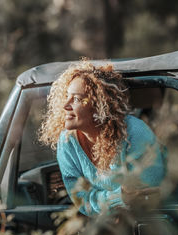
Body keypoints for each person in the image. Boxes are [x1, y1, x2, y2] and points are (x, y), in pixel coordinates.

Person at [39, 61, 166, 216]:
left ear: (100, 105)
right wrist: (119, 197)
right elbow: (81, 202)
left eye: (77, 99)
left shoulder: (135, 133)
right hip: (108, 228)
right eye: (67, 96)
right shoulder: (67, 142)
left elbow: (147, 197)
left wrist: (106, 200)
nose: (66, 105)